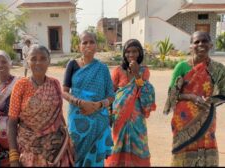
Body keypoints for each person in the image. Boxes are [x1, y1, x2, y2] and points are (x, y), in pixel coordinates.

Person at [163, 31, 225, 166]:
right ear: (191, 46)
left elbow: (223, 93)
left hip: (207, 118)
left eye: (204, 41)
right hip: (184, 120)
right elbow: (171, 96)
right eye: (196, 42)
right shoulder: (182, 67)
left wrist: (210, 100)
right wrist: (191, 97)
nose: (201, 44)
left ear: (211, 45)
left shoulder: (218, 68)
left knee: (207, 149)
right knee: (183, 152)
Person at [8, 44, 74, 167]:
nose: (38, 62)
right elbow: (12, 121)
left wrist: (68, 142)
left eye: (43, 58)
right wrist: (13, 156)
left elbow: (58, 116)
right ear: (27, 62)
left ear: (49, 61)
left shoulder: (54, 83)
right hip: (30, 147)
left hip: (55, 147)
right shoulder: (20, 85)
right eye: (33, 58)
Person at [62, 31, 115, 167]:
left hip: (98, 120)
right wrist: (80, 103)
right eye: (84, 42)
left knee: (95, 159)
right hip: (78, 120)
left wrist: (97, 105)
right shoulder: (72, 65)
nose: (88, 45)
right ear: (78, 46)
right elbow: (64, 92)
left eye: (91, 42)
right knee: (76, 156)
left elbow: (111, 95)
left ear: (97, 45)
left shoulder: (102, 68)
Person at [105, 39, 156, 167]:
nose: (131, 54)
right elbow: (111, 94)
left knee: (139, 144)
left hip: (137, 117)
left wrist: (136, 73)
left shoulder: (144, 71)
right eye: (128, 52)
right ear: (124, 54)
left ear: (139, 53)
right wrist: (109, 113)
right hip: (119, 116)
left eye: (134, 51)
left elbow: (144, 90)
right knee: (117, 144)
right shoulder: (118, 71)